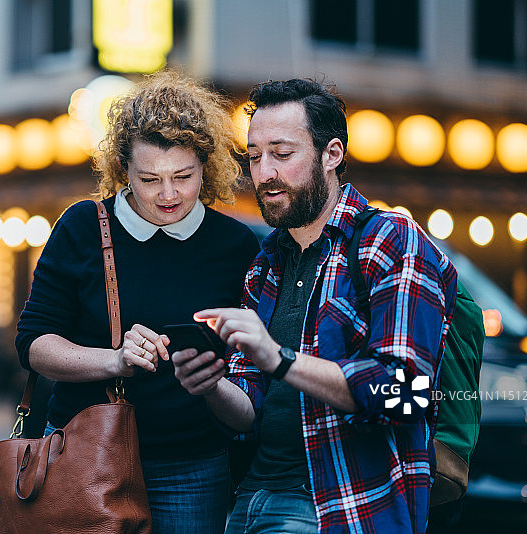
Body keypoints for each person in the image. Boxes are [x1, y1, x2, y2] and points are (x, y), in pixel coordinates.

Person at [172, 78, 458, 533]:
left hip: (338, 508)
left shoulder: (390, 240)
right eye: (254, 157)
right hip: (249, 502)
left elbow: (406, 394)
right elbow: (248, 410)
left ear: (332, 155)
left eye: (282, 154)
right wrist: (210, 384)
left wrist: (281, 360)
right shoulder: (265, 264)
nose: (264, 173)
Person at [15, 71, 261, 534]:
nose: (168, 195)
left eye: (183, 177)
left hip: (193, 468)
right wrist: (115, 360)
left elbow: (250, 377)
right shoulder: (82, 227)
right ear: (122, 169)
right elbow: (33, 344)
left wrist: (213, 379)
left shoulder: (236, 245)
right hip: (84, 454)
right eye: (149, 179)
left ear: (206, 167)